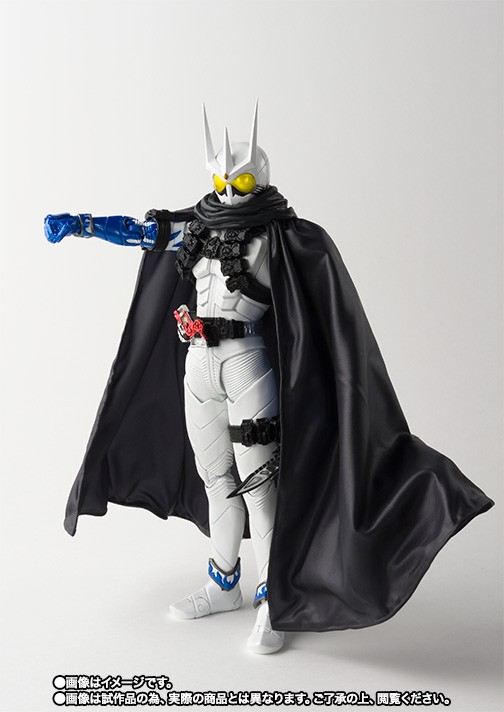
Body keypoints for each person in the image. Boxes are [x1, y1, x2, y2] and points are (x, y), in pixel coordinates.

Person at [44, 104, 493, 655]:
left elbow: (321, 309)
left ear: (260, 177)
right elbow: (141, 233)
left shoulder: (283, 238)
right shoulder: (197, 228)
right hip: (198, 366)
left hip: (247, 366)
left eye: (241, 181)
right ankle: (223, 582)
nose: (229, 192)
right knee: (216, 480)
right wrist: (84, 225)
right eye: (221, 181)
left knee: (260, 488)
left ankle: (274, 600)